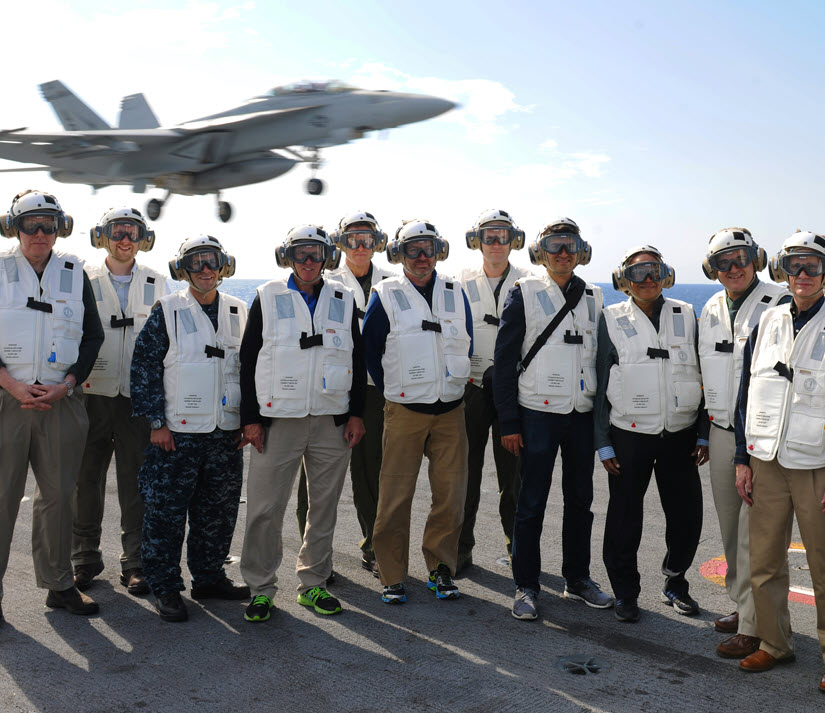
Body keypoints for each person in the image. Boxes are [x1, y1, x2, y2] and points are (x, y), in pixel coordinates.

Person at [239, 225, 365, 623]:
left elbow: (358, 360)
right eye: (300, 254)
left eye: (315, 254)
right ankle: (261, 589)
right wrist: (251, 420)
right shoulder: (268, 296)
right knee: (264, 508)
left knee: (324, 507)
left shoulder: (344, 299)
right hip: (278, 421)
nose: (308, 262)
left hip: (331, 419)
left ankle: (313, 584)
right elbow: (248, 359)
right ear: (287, 257)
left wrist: (356, 413)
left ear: (326, 256)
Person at [493, 218, 612, 621]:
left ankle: (577, 579)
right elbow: (504, 360)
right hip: (537, 413)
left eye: (570, 245)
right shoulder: (523, 292)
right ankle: (525, 585)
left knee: (581, 501)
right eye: (554, 245)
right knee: (531, 503)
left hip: (580, 412)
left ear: (581, 251)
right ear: (540, 252)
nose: (563, 253)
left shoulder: (594, 296)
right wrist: (508, 422)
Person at [131, 235, 249, 622]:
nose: (205, 270)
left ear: (223, 265)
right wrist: (155, 423)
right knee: (165, 514)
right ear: (183, 269)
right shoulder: (167, 310)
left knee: (218, 512)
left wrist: (247, 421)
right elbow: (145, 367)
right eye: (196, 263)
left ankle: (210, 577)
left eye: (212, 261)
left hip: (223, 432)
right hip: (176, 435)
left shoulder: (238, 311)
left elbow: (250, 370)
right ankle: (165, 587)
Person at [0, 189, 104, 621]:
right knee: (2, 498)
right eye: (30, 224)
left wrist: (68, 383)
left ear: (60, 228)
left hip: (61, 402)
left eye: (49, 225)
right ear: (14, 227)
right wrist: (11, 384)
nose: (40, 234)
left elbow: (92, 336)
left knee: (59, 497)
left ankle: (59, 585)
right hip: (7, 402)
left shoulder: (74, 272)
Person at [595, 245, 708, 623]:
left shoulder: (687, 314)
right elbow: (597, 383)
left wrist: (703, 433)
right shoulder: (609, 317)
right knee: (625, 518)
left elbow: (704, 374)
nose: (647, 279)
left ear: (666, 274)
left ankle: (676, 582)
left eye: (654, 270)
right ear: (623, 280)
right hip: (629, 434)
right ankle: (626, 592)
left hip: (680, 433)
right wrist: (603, 441)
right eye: (638, 272)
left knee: (686, 515)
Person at [362, 219, 473, 604]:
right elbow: (370, 352)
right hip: (405, 411)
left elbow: (466, 342)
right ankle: (392, 575)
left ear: (438, 250)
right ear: (399, 254)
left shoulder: (456, 292)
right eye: (413, 250)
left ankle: (440, 569)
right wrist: (396, 388)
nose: (422, 257)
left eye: (428, 248)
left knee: (450, 495)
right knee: (394, 496)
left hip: (451, 412)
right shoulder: (386, 294)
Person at [734, 231, 825, 691]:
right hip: (765, 457)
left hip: (817, 464)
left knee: (824, 562)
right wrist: (741, 457)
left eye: (812, 266)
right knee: (765, 559)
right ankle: (774, 643)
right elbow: (745, 392)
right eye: (795, 266)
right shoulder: (768, 321)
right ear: (783, 271)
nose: (803, 275)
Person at [698, 228, 788, 659]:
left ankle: (755, 626)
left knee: (757, 535)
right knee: (731, 528)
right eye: (723, 263)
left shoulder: (781, 302)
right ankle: (742, 604)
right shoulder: (712, 306)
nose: (733, 269)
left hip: (760, 437)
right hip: (719, 431)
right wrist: (702, 431)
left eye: (741, 259)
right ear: (711, 270)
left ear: (757, 258)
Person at [71, 208, 167, 596]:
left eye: (133, 232)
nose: (125, 239)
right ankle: (84, 559)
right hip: (92, 395)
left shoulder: (158, 283)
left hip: (136, 400)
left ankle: (136, 563)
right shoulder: (83, 280)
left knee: (136, 483)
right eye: (118, 232)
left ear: (144, 238)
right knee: (85, 480)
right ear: (103, 236)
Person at [294, 211, 393, 577]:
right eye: (353, 239)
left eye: (368, 239)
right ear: (340, 243)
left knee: (374, 476)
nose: (361, 246)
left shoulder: (393, 283)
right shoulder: (325, 282)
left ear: (378, 242)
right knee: (317, 481)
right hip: (329, 391)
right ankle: (315, 559)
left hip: (375, 392)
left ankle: (375, 548)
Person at [457, 209, 530, 572]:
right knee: (464, 475)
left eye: (503, 235)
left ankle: (517, 549)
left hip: (514, 392)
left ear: (514, 240)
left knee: (513, 479)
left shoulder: (531, 282)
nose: (496, 243)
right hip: (470, 389)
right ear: (477, 241)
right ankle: (459, 549)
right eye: (489, 236)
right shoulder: (457, 282)